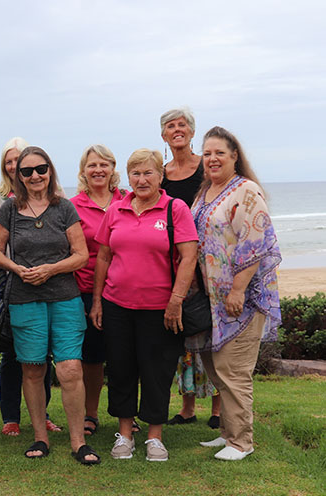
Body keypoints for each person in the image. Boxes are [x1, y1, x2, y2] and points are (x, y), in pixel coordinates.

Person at [0, 146, 99, 464]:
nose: (35, 176)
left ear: (50, 170)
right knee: (33, 369)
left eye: (41, 169)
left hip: (64, 298)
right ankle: (40, 437)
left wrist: (51, 269)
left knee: (70, 368)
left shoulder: (63, 207)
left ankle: (78, 442)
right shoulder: (9, 210)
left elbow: (81, 255)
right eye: (27, 171)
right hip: (25, 300)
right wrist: (16, 268)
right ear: (18, 176)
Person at [90, 148, 198, 462]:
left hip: (160, 309)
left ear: (160, 176)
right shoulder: (116, 210)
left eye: (148, 172)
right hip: (116, 305)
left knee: (156, 372)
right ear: (128, 177)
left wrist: (176, 301)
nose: (141, 179)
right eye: (135, 173)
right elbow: (103, 257)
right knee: (121, 369)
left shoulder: (175, 209)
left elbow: (189, 257)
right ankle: (125, 434)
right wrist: (97, 301)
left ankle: (154, 437)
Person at [189, 126, 281, 461]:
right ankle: (228, 432)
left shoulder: (246, 191)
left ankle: (242, 442)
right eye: (207, 153)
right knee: (217, 368)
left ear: (234, 156)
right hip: (211, 300)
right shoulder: (206, 191)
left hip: (240, 299)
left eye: (219, 153)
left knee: (234, 369)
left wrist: (238, 290)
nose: (212, 159)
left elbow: (255, 243)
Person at [0, 137, 61, 437]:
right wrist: (16, 268)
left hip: (45, 283)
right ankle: (11, 417)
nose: (15, 166)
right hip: (9, 281)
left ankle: (42, 415)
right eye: (10, 161)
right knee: (11, 353)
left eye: (20, 160)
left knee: (41, 355)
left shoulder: (52, 196)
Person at [160, 107, 221, 428]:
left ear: (192, 131)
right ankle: (187, 407)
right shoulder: (162, 173)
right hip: (175, 261)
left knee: (212, 332)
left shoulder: (205, 167)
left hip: (209, 260)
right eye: (170, 126)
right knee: (184, 330)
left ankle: (218, 408)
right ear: (164, 135)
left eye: (182, 125)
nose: (177, 130)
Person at [70, 145, 125, 437]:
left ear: (113, 168)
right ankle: (90, 414)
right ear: (83, 171)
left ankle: (126, 414)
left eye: (104, 164)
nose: (98, 170)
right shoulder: (72, 206)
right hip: (85, 289)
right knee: (91, 359)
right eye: (92, 165)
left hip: (124, 290)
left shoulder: (128, 200)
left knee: (125, 357)